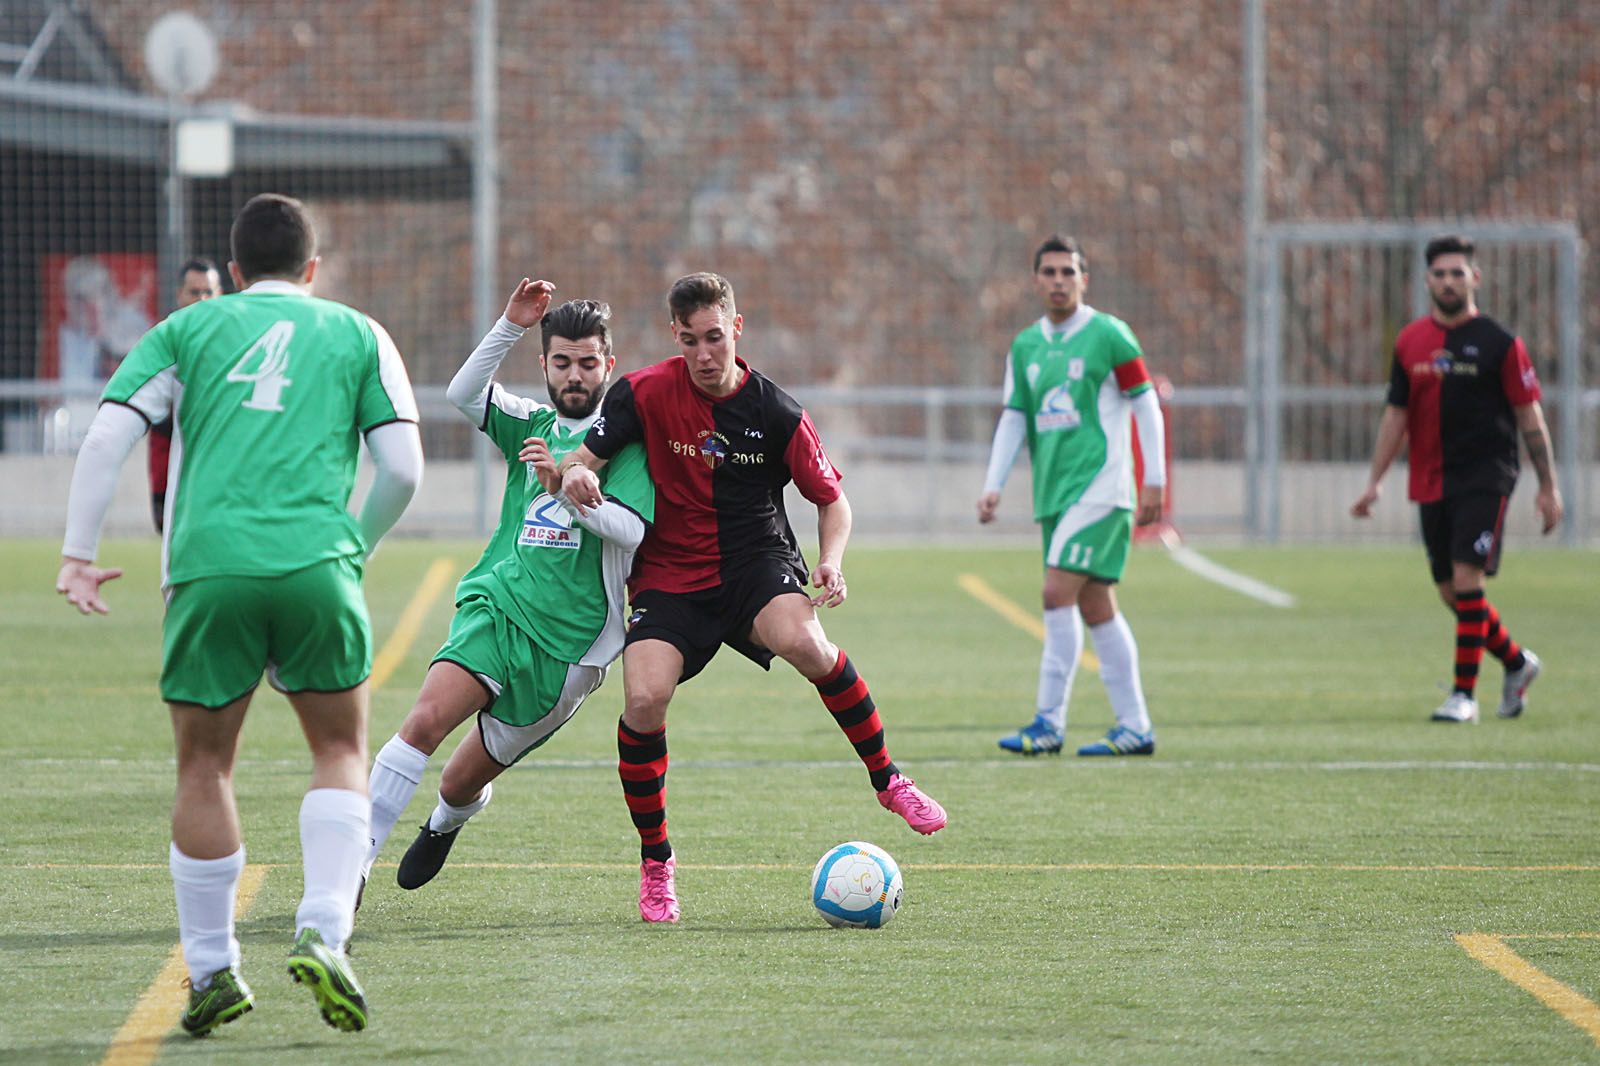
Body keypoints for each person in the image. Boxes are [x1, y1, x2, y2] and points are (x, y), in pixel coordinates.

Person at [55, 194, 423, 1036]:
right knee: (338, 749)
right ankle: (326, 930)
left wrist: (78, 553)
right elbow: (402, 470)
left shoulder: (188, 329)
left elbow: (106, 435)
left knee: (205, 769)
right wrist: (349, 546)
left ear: (230, 265)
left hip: (207, 570)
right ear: (313, 268)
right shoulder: (361, 334)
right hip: (316, 568)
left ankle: (214, 968)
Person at [552, 271, 947, 924]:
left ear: (735, 328)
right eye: (690, 341)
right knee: (644, 698)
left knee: (805, 642)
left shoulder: (776, 410)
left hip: (754, 564)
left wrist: (831, 561)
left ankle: (889, 780)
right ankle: (657, 862)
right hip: (669, 574)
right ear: (675, 337)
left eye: (714, 337)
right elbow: (581, 459)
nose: (704, 354)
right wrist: (574, 479)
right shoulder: (644, 394)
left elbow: (832, 500)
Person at [361, 280, 653, 896]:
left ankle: (444, 824)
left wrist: (562, 489)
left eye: (588, 362)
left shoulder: (627, 439)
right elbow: (462, 394)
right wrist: (510, 325)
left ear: (610, 363)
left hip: (571, 648)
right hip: (499, 604)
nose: (575, 375)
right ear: (545, 363)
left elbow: (631, 532)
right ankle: (350, 871)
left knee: (458, 782)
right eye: (562, 361)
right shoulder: (531, 419)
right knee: (422, 723)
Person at [1352, 234, 1561, 723]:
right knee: (1452, 591)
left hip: (1487, 476)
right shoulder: (1409, 342)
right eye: (1440, 274)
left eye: (1457, 273)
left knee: (1468, 578)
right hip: (1430, 478)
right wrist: (1375, 481)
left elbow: (1530, 417)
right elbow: (1395, 416)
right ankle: (1517, 663)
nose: (1448, 281)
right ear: (1428, 280)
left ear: (1475, 278)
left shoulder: (1501, 343)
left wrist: (1548, 486)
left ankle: (1463, 696)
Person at [976, 234, 1167, 758]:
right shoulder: (1026, 345)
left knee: (1054, 593)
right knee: (1095, 604)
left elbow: (1146, 405)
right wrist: (993, 483)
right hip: (1055, 496)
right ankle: (1135, 726)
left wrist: (1155, 478)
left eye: (1068, 272)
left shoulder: (1109, 335)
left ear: (1085, 279)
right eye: (1049, 272)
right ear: (1035, 280)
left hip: (1102, 488)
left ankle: (1047, 723)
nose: (1059, 281)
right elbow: (1014, 416)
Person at [149, 258, 226, 532]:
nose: (202, 299)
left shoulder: (237, 346)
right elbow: (160, 433)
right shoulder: (165, 346)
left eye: (208, 292)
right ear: (180, 295)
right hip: (183, 476)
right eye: (195, 292)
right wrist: (159, 492)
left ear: (220, 295)